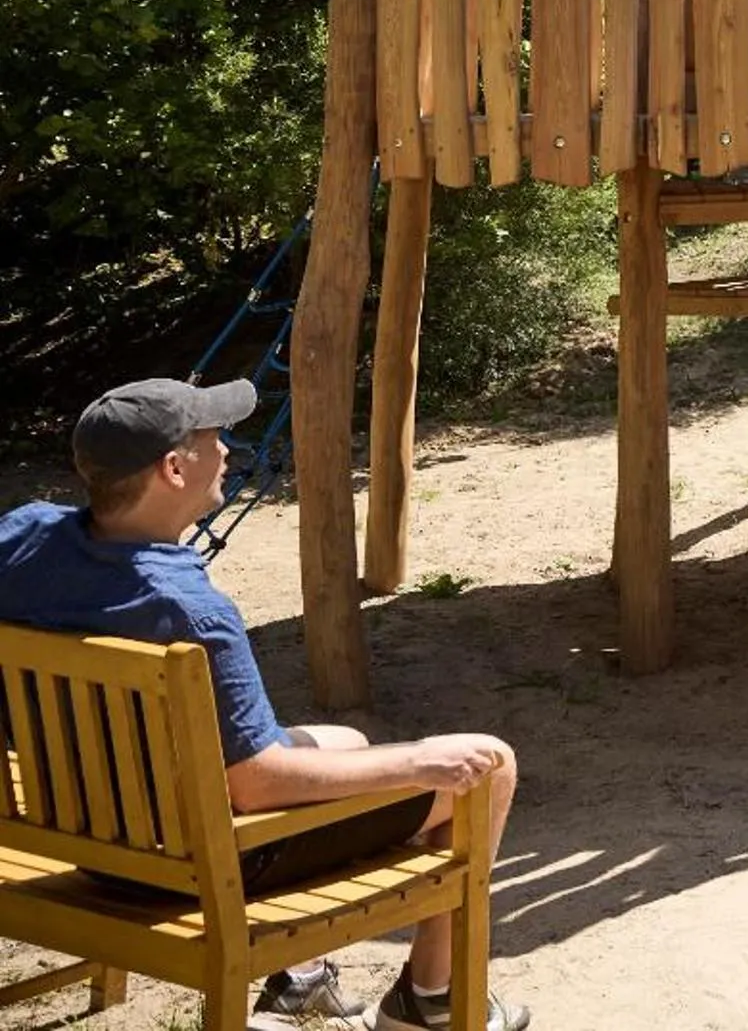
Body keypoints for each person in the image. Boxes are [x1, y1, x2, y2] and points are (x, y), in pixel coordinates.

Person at [0, 378, 531, 1030]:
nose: (226, 449)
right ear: (173, 468)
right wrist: (423, 761)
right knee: (488, 765)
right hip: (192, 867)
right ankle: (430, 1000)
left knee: (349, 742)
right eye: (210, 438)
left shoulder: (20, 539)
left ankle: (303, 976)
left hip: (85, 834)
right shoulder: (187, 612)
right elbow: (257, 784)